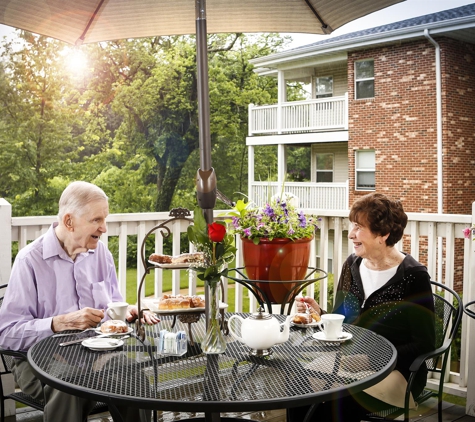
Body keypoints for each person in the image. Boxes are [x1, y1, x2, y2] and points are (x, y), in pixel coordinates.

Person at [0, 181, 159, 422]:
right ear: (68, 221)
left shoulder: (101, 254)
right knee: (71, 386)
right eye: (96, 220)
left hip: (96, 353)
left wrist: (127, 311)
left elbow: (111, 308)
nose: (104, 228)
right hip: (38, 359)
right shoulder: (30, 261)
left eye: (105, 219)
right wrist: (57, 323)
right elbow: (6, 333)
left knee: (133, 378)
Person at [290, 192, 436, 422]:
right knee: (297, 387)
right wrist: (321, 315)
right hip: (346, 361)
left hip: (396, 372)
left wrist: (373, 358)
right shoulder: (352, 265)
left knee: (332, 402)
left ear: (383, 234)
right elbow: (343, 320)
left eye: (359, 227)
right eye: (352, 226)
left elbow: (425, 342)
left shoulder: (413, 276)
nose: (351, 234)